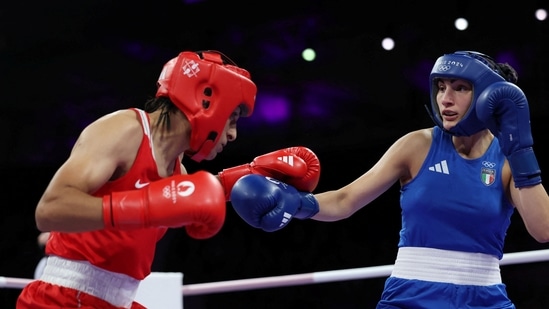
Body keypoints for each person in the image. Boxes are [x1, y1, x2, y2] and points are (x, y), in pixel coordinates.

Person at [230, 50, 549, 308]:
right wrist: (298, 203)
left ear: (489, 97)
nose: (445, 99)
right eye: (441, 86)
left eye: (460, 88)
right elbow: (345, 199)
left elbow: (543, 229)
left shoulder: (507, 159)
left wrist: (521, 151)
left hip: (485, 297)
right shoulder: (417, 145)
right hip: (412, 295)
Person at [16, 50, 320, 309]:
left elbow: (186, 195)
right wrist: (143, 206)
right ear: (207, 100)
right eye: (233, 118)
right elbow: (49, 210)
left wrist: (249, 174)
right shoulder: (125, 130)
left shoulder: (178, 171)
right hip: (62, 299)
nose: (232, 134)